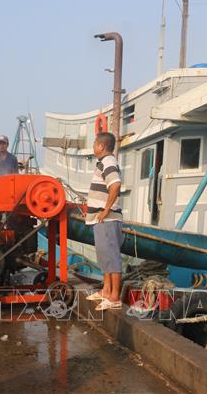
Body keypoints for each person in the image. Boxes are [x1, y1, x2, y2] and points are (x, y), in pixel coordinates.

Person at [84, 132, 123, 311]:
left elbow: (115, 185)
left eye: (94, 143)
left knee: (112, 257)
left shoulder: (108, 162)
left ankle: (114, 297)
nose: (93, 146)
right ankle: (106, 291)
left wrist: (106, 209)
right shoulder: (103, 162)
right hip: (100, 220)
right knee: (104, 256)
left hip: (108, 218)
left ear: (101, 146)